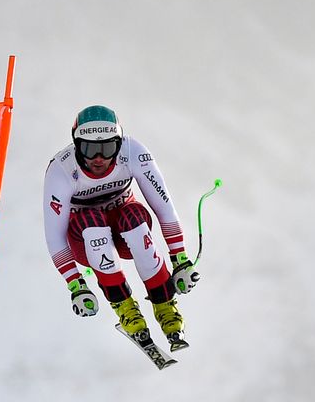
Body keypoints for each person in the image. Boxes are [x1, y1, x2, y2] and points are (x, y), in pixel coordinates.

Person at [42, 105, 200, 346]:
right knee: (90, 221)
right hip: (86, 241)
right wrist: (77, 286)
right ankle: (126, 308)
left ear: (119, 142)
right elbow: (55, 237)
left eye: (107, 148)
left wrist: (180, 260)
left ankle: (166, 307)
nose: (98, 158)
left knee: (134, 215)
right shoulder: (61, 170)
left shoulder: (133, 151)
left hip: (125, 231)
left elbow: (164, 206)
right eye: (89, 148)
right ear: (76, 145)